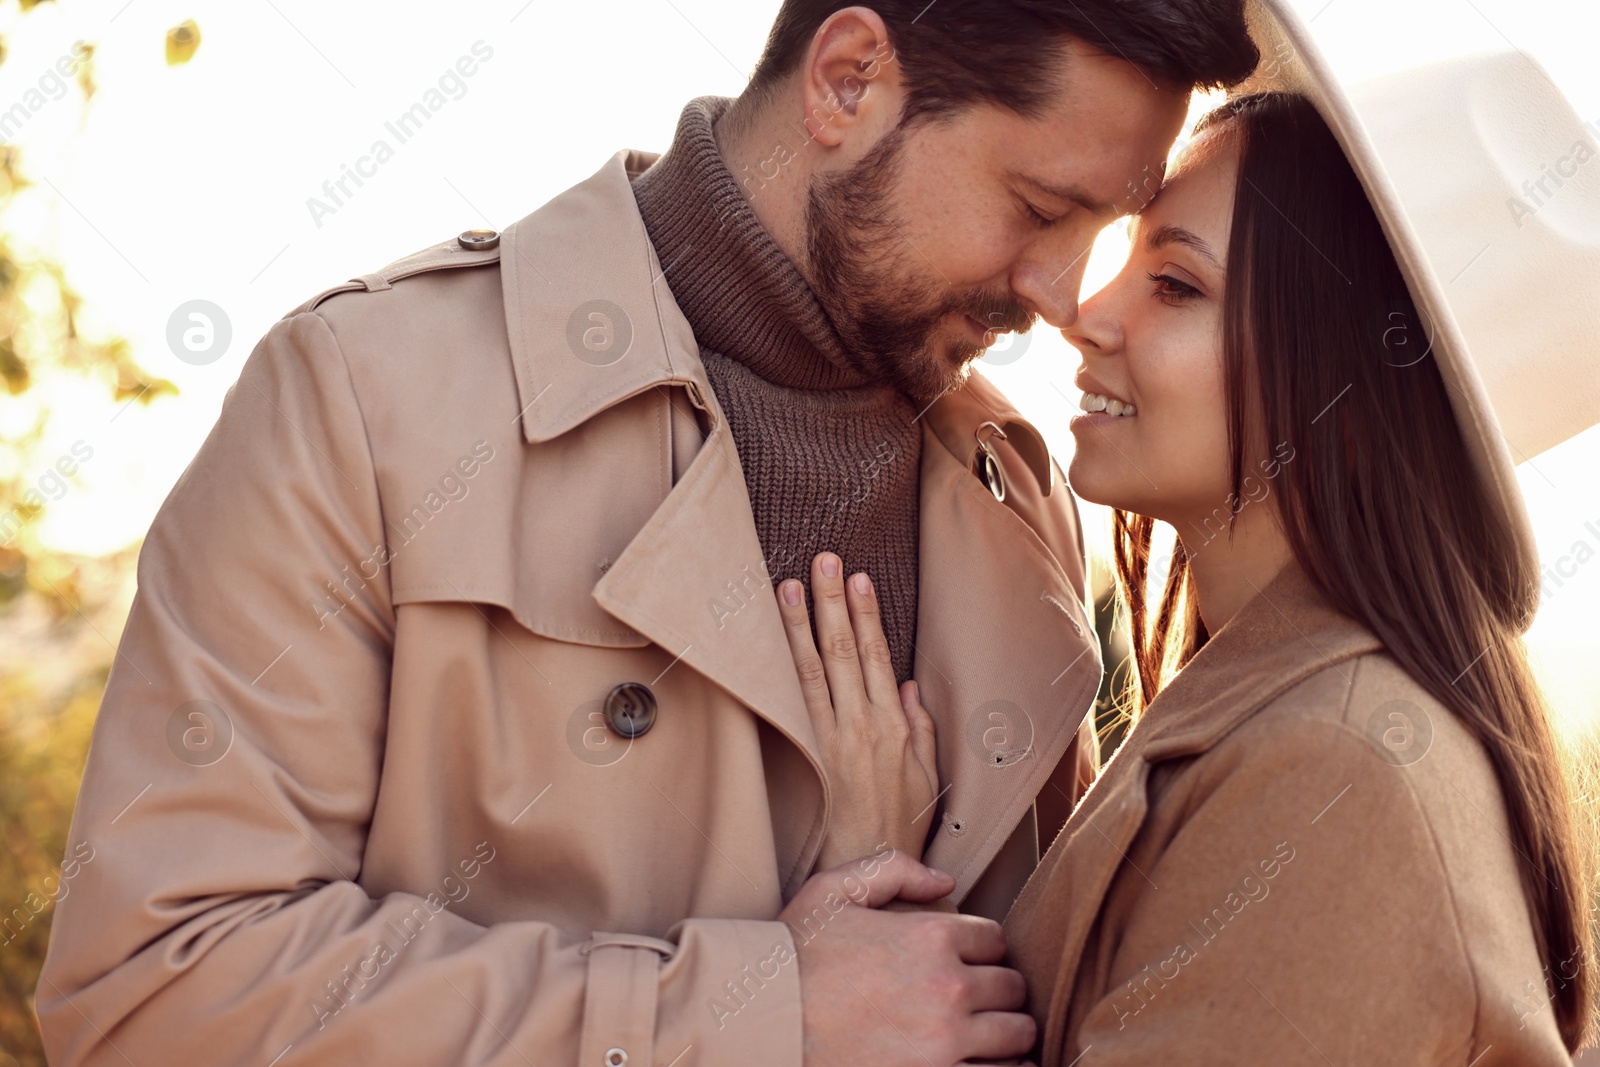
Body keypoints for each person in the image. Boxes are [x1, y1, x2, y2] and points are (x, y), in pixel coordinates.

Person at [33, 3, 1260, 1066]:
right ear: (847, 80)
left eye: (1102, 225)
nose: (1060, 292)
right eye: (1040, 206)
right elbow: (158, 985)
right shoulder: (370, 398)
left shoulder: (1016, 492)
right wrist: (744, 1018)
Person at [778, 27, 1600, 1067]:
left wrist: (872, 891)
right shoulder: (1273, 713)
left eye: (1175, 285)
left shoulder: (1337, 777)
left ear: (1350, 395)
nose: (1083, 312)